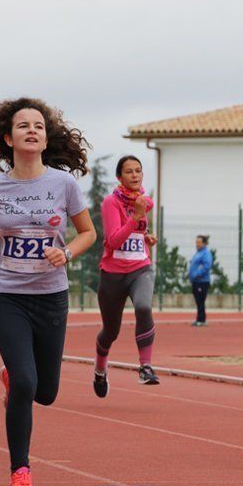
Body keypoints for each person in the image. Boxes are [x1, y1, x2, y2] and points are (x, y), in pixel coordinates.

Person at [0, 97, 96, 486]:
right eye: (23, 126)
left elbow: (88, 232)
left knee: (46, 391)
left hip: (51, 296)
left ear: (44, 137)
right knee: (25, 380)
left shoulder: (64, 184)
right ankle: (20, 470)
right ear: (8, 137)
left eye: (38, 125)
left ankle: (14, 378)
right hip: (7, 296)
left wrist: (67, 251)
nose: (33, 130)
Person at [93, 155, 160, 396]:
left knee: (143, 307)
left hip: (140, 268)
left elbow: (135, 233)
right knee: (110, 331)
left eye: (138, 171)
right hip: (112, 275)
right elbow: (113, 240)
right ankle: (100, 369)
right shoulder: (111, 203)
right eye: (129, 171)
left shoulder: (145, 202)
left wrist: (146, 238)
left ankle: (146, 367)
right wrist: (134, 218)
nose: (135, 175)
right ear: (119, 177)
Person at [188, 235, 212, 326]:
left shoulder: (206, 253)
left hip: (202, 281)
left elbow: (207, 266)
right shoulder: (198, 253)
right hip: (196, 281)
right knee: (198, 301)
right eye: (196, 242)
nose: (197, 244)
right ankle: (199, 319)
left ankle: (201, 320)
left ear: (204, 243)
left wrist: (197, 274)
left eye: (199, 242)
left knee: (201, 300)